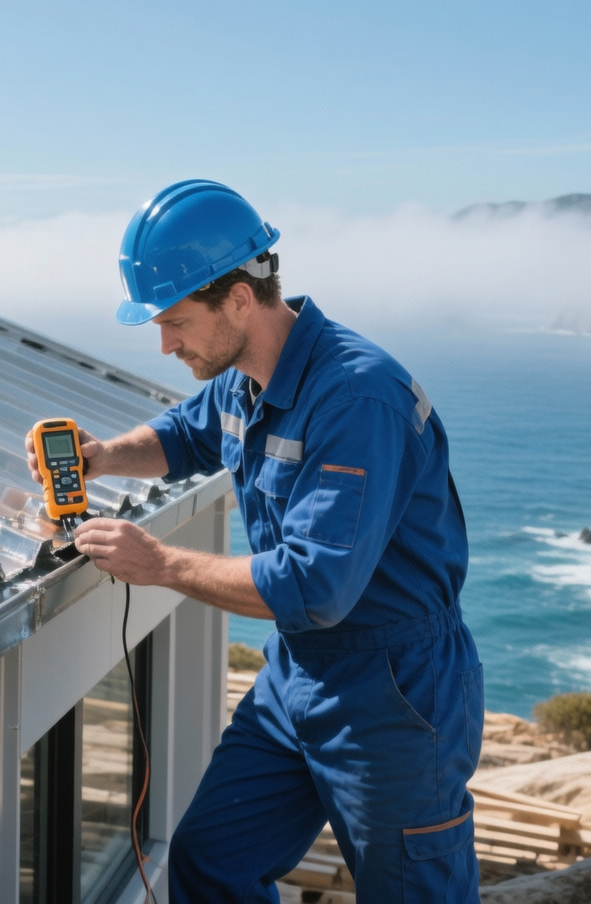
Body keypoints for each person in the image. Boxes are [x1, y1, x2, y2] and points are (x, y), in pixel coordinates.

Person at [26, 180, 481, 902]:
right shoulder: (245, 374)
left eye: (174, 322)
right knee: (212, 860)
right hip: (297, 677)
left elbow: (315, 586)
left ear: (240, 297)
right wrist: (105, 455)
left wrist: (163, 563)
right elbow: (183, 436)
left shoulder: (357, 399)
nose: (166, 343)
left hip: (393, 689)